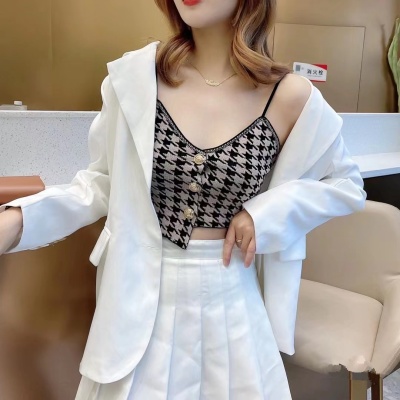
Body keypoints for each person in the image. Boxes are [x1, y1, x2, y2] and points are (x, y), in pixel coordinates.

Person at [0, 0, 366, 399]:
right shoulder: (135, 79)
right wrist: (17, 219)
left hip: (232, 304)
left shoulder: (289, 95)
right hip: (139, 303)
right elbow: (101, 184)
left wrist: (264, 215)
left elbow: (345, 183)